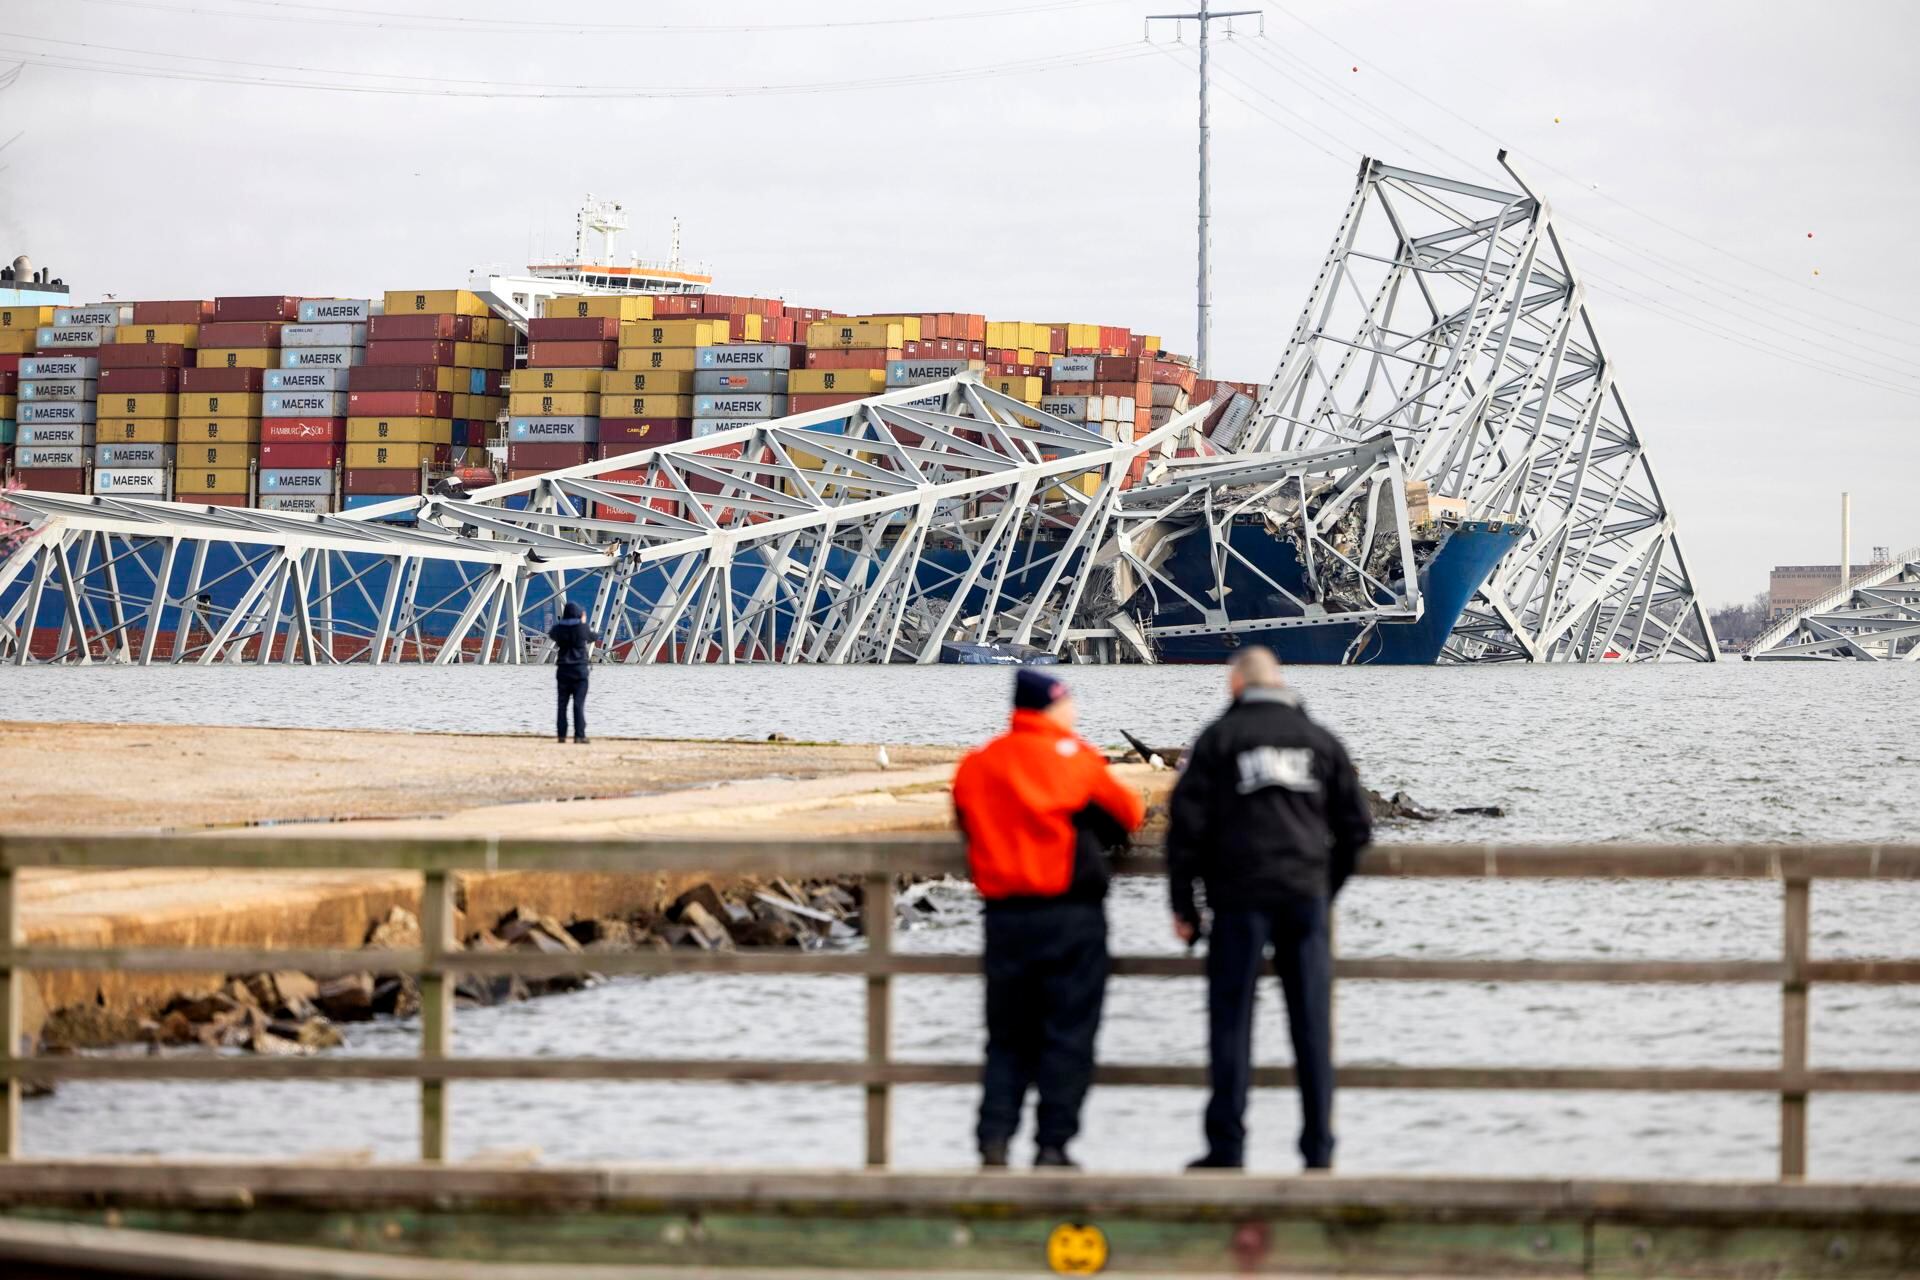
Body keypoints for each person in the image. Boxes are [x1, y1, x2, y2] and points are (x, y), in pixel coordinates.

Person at [1167, 646, 1372, 1171]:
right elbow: (1356, 829)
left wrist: (1184, 904)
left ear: (1235, 686)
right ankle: (1318, 1151)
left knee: (1231, 1024)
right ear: (1281, 685)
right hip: (1304, 898)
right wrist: (1327, 886)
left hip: (1238, 898)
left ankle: (1227, 1147)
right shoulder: (1321, 742)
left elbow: (1185, 830)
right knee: (1311, 1027)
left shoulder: (1217, 740)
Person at [952, 669, 1145, 1170]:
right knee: (1068, 1034)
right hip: (1069, 916)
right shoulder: (1072, 757)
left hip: (1004, 919)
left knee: (1007, 1037)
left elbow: (964, 819)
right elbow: (1129, 812)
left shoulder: (978, 763)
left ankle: (993, 1141)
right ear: (1053, 708)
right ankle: (1053, 1146)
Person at [547, 602, 597, 744]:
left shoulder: (558, 629)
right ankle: (579, 735)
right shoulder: (583, 628)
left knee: (562, 704)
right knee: (578, 704)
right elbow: (594, 636)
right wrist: (582, 622)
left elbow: (552, 634)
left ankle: (561, 735)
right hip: (580, 671)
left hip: (563, 671)